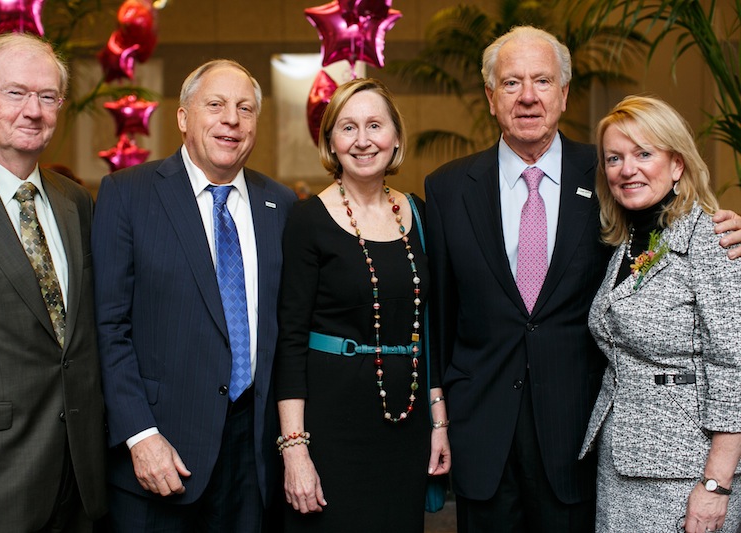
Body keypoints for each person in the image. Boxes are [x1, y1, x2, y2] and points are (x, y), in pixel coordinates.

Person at [425, 25, 741, 533]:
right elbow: (438, 316)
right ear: (490, 97)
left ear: (565, 94)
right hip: (481, 430)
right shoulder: (445, 189)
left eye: (543, 81)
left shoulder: (610, 173)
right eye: (511, 83)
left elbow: (676, 229)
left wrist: (726, 225)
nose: (528, 96)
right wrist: (439, 416)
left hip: (580, 435)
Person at [92, 59, 297, 532]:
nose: (232, 120)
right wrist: (140, 436)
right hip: (161, 451)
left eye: (245, 108)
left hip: (254, 457)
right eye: (216, 105)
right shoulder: (127, 195)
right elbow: (109, 328)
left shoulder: (280, 204)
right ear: (183, 118)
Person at [0, 32, 107, 531]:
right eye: (15, 93)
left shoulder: (75, 202)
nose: (33, 110)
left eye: (48, 96)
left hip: (79, 480)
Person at [275, 77, 451, 533]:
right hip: (331, 429)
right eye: (348, 127)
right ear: (331, 141)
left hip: (406, 425)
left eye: (375, 125)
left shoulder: (421, 214)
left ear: (395, 139)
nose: (363, 140)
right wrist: (295, 448)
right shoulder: (306, 219)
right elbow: (290, 340)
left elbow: (431, 329)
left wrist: (439, 422)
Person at [578, 95, 741, 533]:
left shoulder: (712, 236)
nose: (626, 169)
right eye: (614, 158)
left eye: (643, 153)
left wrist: (716, 484)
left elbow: (735, 367)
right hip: (621, 465)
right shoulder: (630, 242)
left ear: (677, 164)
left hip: (687, 473)